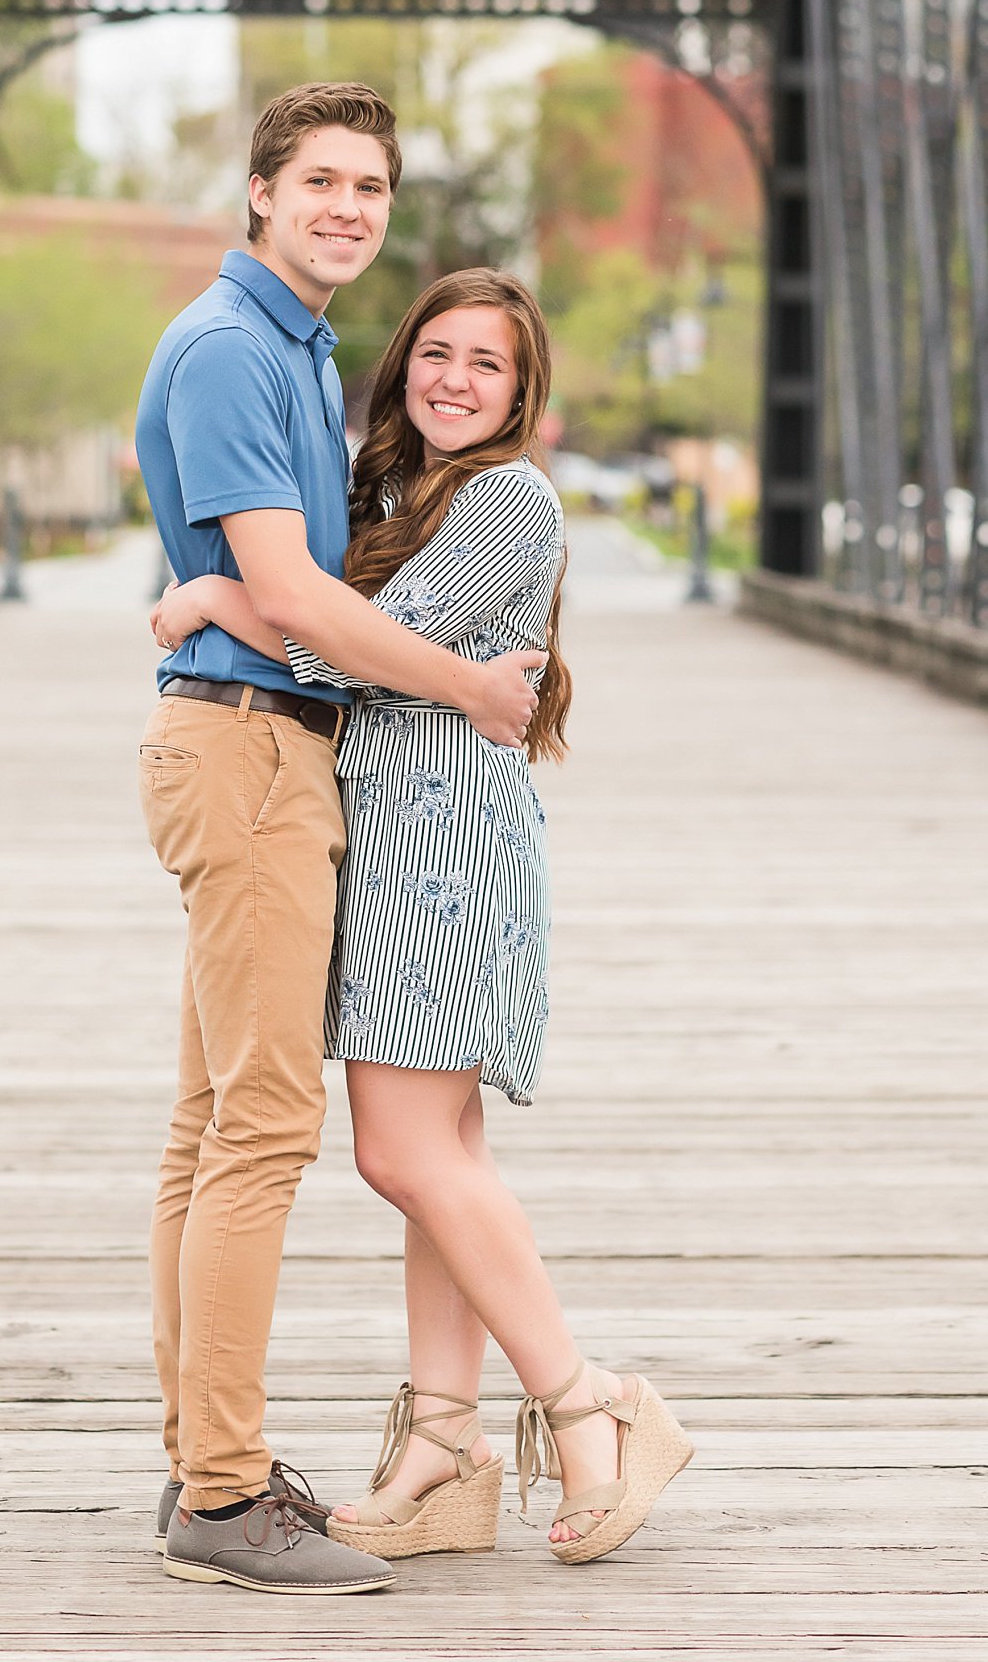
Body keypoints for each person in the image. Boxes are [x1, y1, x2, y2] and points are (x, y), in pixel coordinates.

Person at [152, 267, 694, 1568]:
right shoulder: (397, 490)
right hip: (398, 842)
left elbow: (349, 645)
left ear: (523, 395)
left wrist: (215, 598)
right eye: (435, 353)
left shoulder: (510, 499)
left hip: (439, 856)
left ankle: (592, 1402)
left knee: (403, 1155)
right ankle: (443, 1446)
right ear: (400, 367)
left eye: (486, 364)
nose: (454, 379)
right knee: (442, 1163)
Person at [134, 84, 542, 1597]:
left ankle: (204, 1459)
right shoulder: (236, 350)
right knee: (257, 1131)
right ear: (259, 191)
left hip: (266, 746)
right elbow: (298, 596)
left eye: (369, 188)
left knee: (211, 1124)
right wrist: (474, 690)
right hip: (249, 753)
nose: (346, 209)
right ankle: (224, 1496)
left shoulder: (297, 349)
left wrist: (214, 597)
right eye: (319, 182)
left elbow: (289, 586)